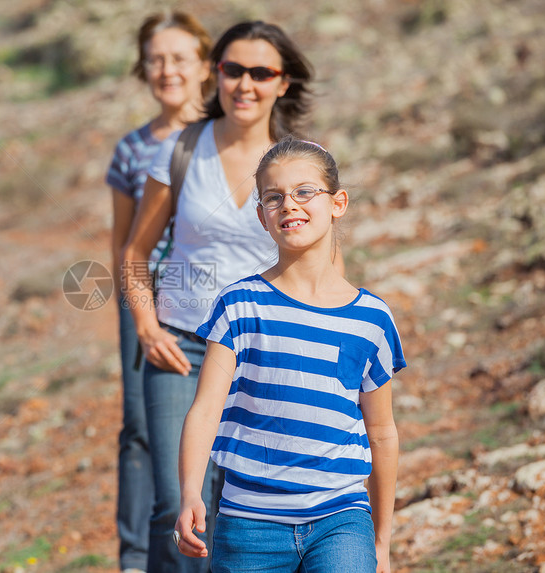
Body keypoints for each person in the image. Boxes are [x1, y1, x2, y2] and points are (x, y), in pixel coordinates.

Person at [121, 21, 320, 573]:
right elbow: (135, 255)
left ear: (283, 82)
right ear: (216, 73)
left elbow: (322, 270)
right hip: (180, 353)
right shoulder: (181, 149)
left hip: (265, 357)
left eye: (262, 72)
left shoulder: (302, 164)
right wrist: (146, 327)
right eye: (234, 70)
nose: (245, 84)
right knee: (175, 508)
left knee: (245, 515)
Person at [175, 136, 406, 573]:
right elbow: (205, 411)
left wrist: (382, 540)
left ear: (338, 203)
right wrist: (190, 492)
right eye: (274, 197)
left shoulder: (373, 319)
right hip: (247, 526)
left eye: (305, 192)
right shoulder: (239, 304)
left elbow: (382, 432)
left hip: (341, 519)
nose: (289, 205)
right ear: (262, 216)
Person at [105, 12, 213, 573]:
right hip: (147, 301)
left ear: (203, 64)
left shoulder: (228, 135)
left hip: (213, 301)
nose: (166, 70)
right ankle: (134, 556)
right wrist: (138, 319)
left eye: (177, 58)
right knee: (142, 430)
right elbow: (124, 244)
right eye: (155, 59)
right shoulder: (131, 149)